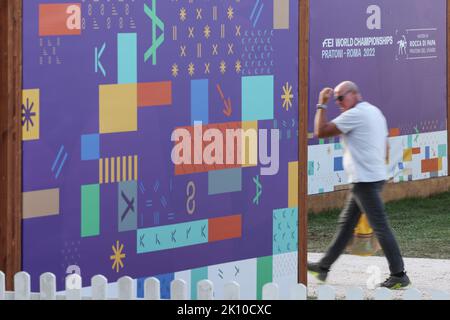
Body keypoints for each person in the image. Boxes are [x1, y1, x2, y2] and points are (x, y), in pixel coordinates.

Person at [308, 81, 411, 289]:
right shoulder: (374, 112)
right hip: (371, 178)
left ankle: (399, 274)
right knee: (346, 225)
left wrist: (321, 104)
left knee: (380, 226)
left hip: (365, 180)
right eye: (335, 98)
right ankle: (323, 267)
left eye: (340, 97)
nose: (337, 102)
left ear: (355, 94)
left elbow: (320, 131)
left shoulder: (355, 114)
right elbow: (385, 145)